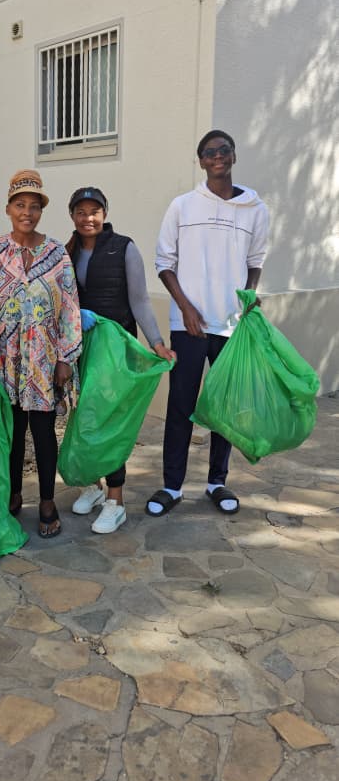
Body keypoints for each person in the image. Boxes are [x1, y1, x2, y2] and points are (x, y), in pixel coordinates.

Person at [147, 129, 270, 518]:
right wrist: (185, 307)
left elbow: (255, 262)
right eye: (210, 152)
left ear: (233, 156)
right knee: (181, 406)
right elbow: (164, 262)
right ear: (200, 161)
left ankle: (217, 481)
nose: (218, 156)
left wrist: (248, 296)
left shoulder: (255, 209)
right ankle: (172, 486)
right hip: (189, 326)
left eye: (224, 150)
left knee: (224, 407)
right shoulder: (182, 206)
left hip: (231, 325)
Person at [0, 169, 82, 538]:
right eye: (20, 205)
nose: (27, 212)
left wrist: (66, 357)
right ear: (8, 208)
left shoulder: (57, 253)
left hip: (44, 360)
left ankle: (47, 501)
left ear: (41, 211)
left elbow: (70, 307)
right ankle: (14, 493)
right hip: (5, 358)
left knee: (44, 432)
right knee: (13, 430)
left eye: (34, 206)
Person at [66, 187, 176, 534]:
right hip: (81, 349)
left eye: (94, 211)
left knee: (112, 421)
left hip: (116, 351)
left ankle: (116, 501)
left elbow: (140, 300)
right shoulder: (66, 251)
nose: (88, 218)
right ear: (72, 216)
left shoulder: (124, 248)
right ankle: (93, 486)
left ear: (105, 213)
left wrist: (157, 343)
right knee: (85, 416)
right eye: (81, 212)